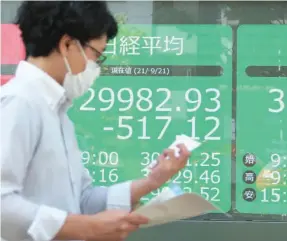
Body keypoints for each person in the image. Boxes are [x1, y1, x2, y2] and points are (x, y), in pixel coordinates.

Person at [0, 2, 190, 241]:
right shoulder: (18, 103)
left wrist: (152, 182)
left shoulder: (57, 112)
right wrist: (84, 227)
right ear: (67, 44)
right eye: (96, 55)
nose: (96, 68)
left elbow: (83, 200)